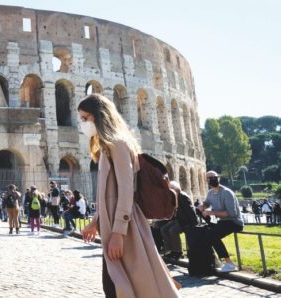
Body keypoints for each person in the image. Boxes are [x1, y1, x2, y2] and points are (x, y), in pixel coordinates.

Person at [78, 94, 179, 297]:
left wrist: (118, 233)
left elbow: (125, 190)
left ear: (99, 116)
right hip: (114, 225)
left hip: (125, 227)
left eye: (85, 118)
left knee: (129, 283)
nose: (83, 123)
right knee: (117, 283)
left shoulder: (118, 144)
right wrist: (95, 222)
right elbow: (107, 194)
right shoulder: (107, 147)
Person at [198, 171, 244, 272]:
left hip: (234, 222)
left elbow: (232, 213)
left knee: (212, 235)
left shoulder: (226, 192)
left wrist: (211, 213)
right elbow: (207, 202)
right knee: (205, 234)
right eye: (209, 178)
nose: (212, 179)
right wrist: (202, 206)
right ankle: (215, 260)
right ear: (207, 181)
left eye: (214, 177)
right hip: (223, 222)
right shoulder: (210, 193)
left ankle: (230, 264)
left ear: (218, 178)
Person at [160, 181, 198, 261]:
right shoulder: (174, 196)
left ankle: (178, 252)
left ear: (176, 189)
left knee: (172, 230)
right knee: (164, 229)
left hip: (186, 222)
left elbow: (190, 211)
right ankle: (169, 249)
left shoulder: (183, 196)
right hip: (179, 220)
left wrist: (194, 224)